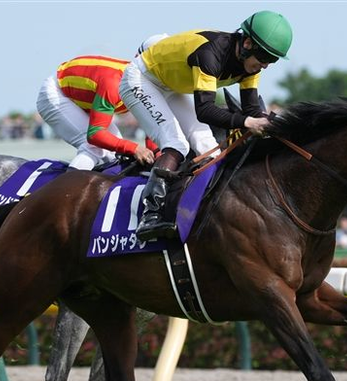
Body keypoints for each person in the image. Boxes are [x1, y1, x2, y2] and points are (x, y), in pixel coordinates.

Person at [120, 11, 293, 240]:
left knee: (209, 149)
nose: (265, 65)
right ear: (247, 43)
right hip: (141, 80)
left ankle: (202, 211)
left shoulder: (250, 66)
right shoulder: (211, 54)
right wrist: (247, 122)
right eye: (264, 57)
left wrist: (274, 124)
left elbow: (251, 110)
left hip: (170, 86)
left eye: (272, 60)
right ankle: (150, 214)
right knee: (176, 144)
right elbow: (205, 112)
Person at [36, 35, 168, 171]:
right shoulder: (114, 83)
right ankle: (66, 184)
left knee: (113, 157)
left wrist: (158, 158)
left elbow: (153, 130)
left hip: (82, 95)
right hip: (56, 94)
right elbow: (95, 135)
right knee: (95, 148)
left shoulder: (152, 85)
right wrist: (135, 148)